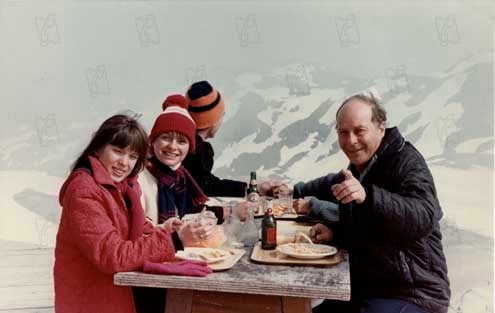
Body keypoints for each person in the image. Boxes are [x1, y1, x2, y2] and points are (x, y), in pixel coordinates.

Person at [289, 91, 450, 313]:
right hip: (371, 286)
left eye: (359, 131)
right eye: (343, 132)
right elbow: (367, 222)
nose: (351, 141)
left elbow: (424, 215)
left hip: (413, 292)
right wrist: (335, 231)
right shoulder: (362, 166)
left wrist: (368, 195)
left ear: (381, 128)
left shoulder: (407, 162)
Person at [54, 114, 204, 313]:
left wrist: (162, 230)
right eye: (118, 151)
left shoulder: (119, 186)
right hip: (90, 300)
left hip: (111, 293)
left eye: (133, 156)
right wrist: (175, 240)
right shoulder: (84, 191)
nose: (125, 163)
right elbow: (112, 255)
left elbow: (130, 226)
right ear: (98, 148)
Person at [139, 94, 248, 229]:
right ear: (152, 141)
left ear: (189, 148)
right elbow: (141, 233)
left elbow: (189, 212)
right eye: (166, 138)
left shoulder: (180, 175)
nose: (173, 146)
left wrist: (229, 211)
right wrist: (229, 211)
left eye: (182, 141)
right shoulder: (139, 179)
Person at [182, 80, 248, 197]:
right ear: (214, 120)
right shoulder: (198, 151)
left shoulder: (184, 142)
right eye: (222, 115)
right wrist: (250, 189)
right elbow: (207, 186)